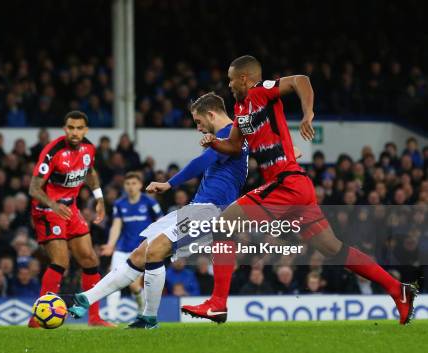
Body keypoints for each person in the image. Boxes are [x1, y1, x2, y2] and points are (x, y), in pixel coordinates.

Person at [185, 55, 417, 325]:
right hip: (295, 187)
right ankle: (397, 290)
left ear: (244, 78)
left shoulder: (262, 91)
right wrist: (214, 142)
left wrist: (308, 113)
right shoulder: (241, 109)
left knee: (223, 226)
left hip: (286, 183)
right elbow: (235, 146)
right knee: (333, 249)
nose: (229, 84)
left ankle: (217, 304)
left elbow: (300, 81)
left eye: (231, 79)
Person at [68, 92, 248, 329]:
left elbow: (201, 162)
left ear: (211, 114)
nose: (198, 128)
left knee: (155, 251)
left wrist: (169, 183)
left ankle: (150, 318)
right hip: (196, 208)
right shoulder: (231, 137)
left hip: (209, 211)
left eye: (198, 121)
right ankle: (88, 298)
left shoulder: (227, 135)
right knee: (140, 253)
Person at [27, 111, 113, 327]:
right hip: (47, 210)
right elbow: (34, 188)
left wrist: (99, 197)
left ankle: (94, 318)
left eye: (79, 128)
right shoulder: (53, 151)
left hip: (70, 209)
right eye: (71, 128)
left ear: (86, 130)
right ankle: (37, 319)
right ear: (65, 129)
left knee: (90, 259)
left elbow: (90, 172)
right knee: (61, 261)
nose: (75, 132)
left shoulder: (89, 148)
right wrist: (54, 205)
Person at [100, 171, 163, 322]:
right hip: (122, 249)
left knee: (134, 286)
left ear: (141, 185)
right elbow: (116, 226)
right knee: (113, 280)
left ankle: (142, 310)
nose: (131, 187)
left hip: (141, 250)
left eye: (134, 183)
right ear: (124, 186)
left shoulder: (149, 202)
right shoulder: (120, 204)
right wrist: (110, 245)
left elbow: (161, 222)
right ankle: (112, 318)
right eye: (128, 184)